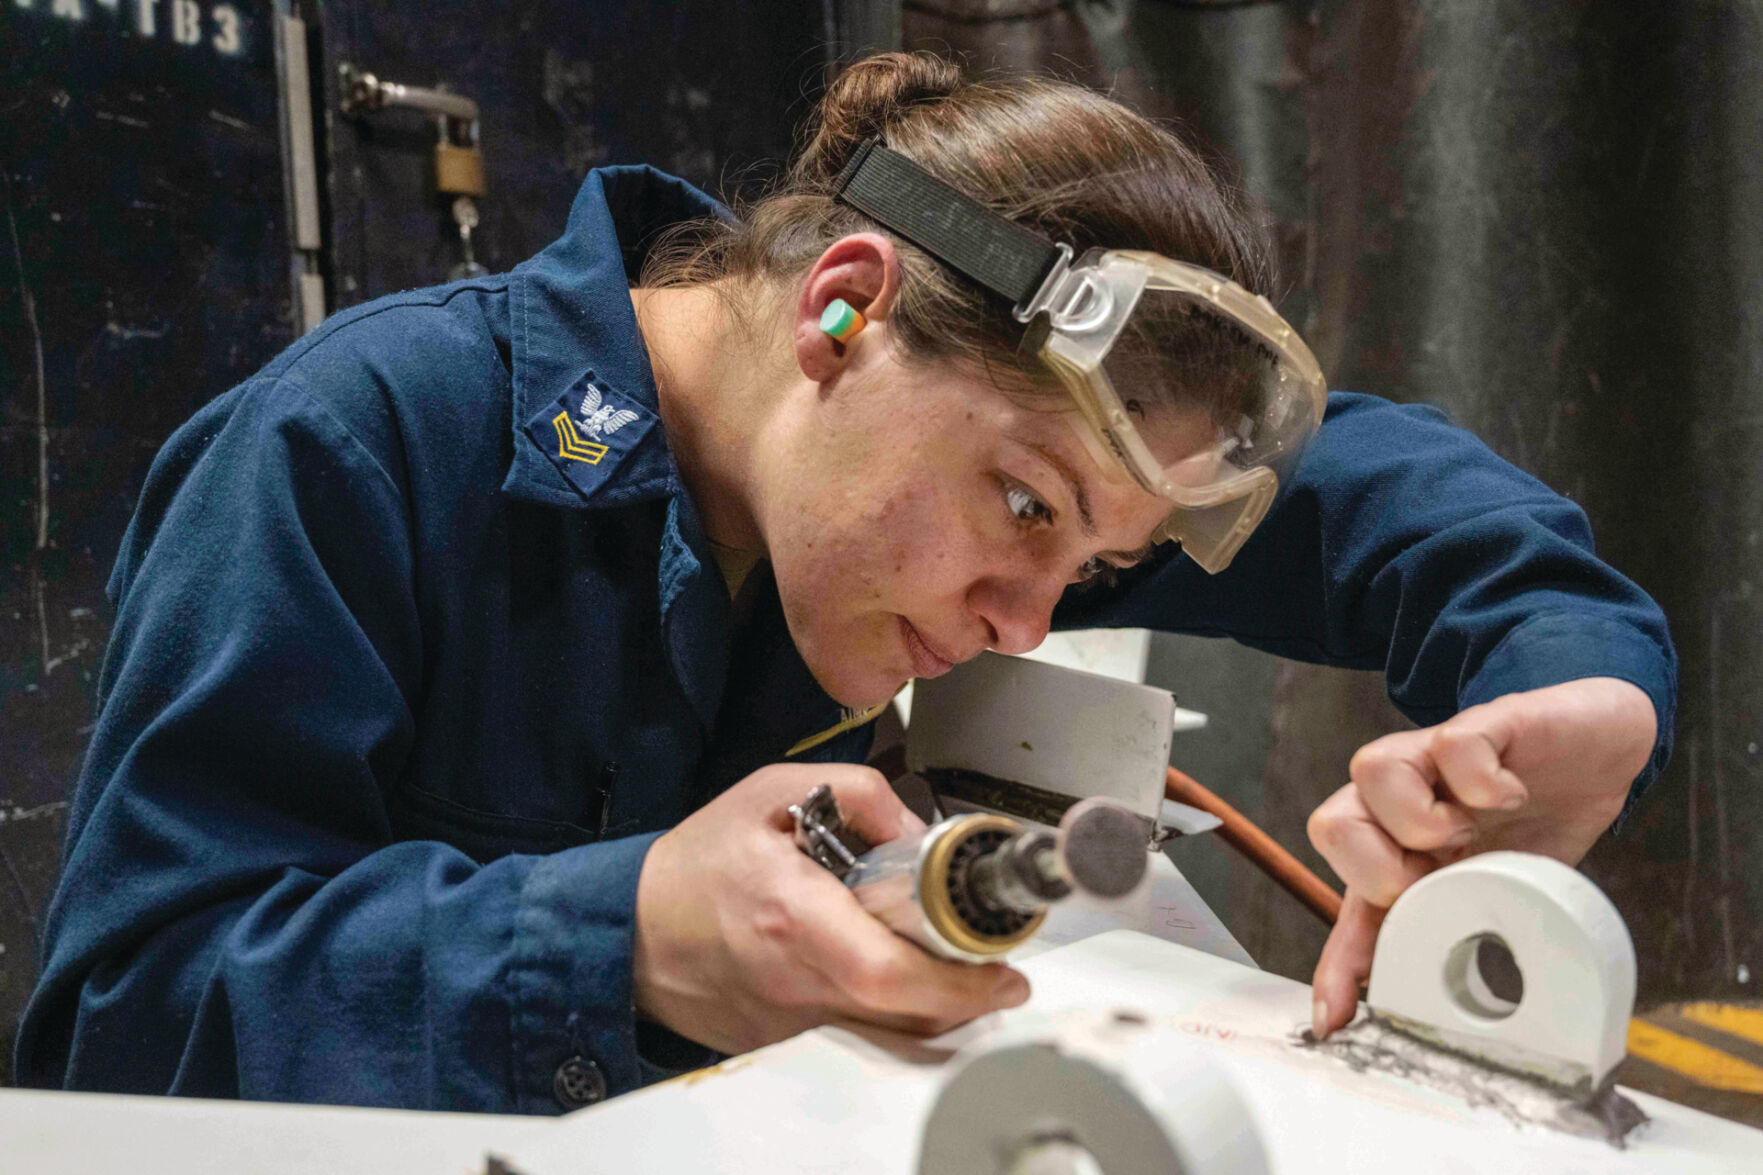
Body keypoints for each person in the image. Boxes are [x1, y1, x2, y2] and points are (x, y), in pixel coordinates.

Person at [16, 53, 1672, 1112]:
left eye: (1099, 563)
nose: (1031, 624)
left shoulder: (926, 500)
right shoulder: (361, 445)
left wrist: (1572, 682)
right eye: (1027, 509)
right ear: (842, 309)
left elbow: (1386, 488)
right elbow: (123, 1026)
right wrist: (626, 941)